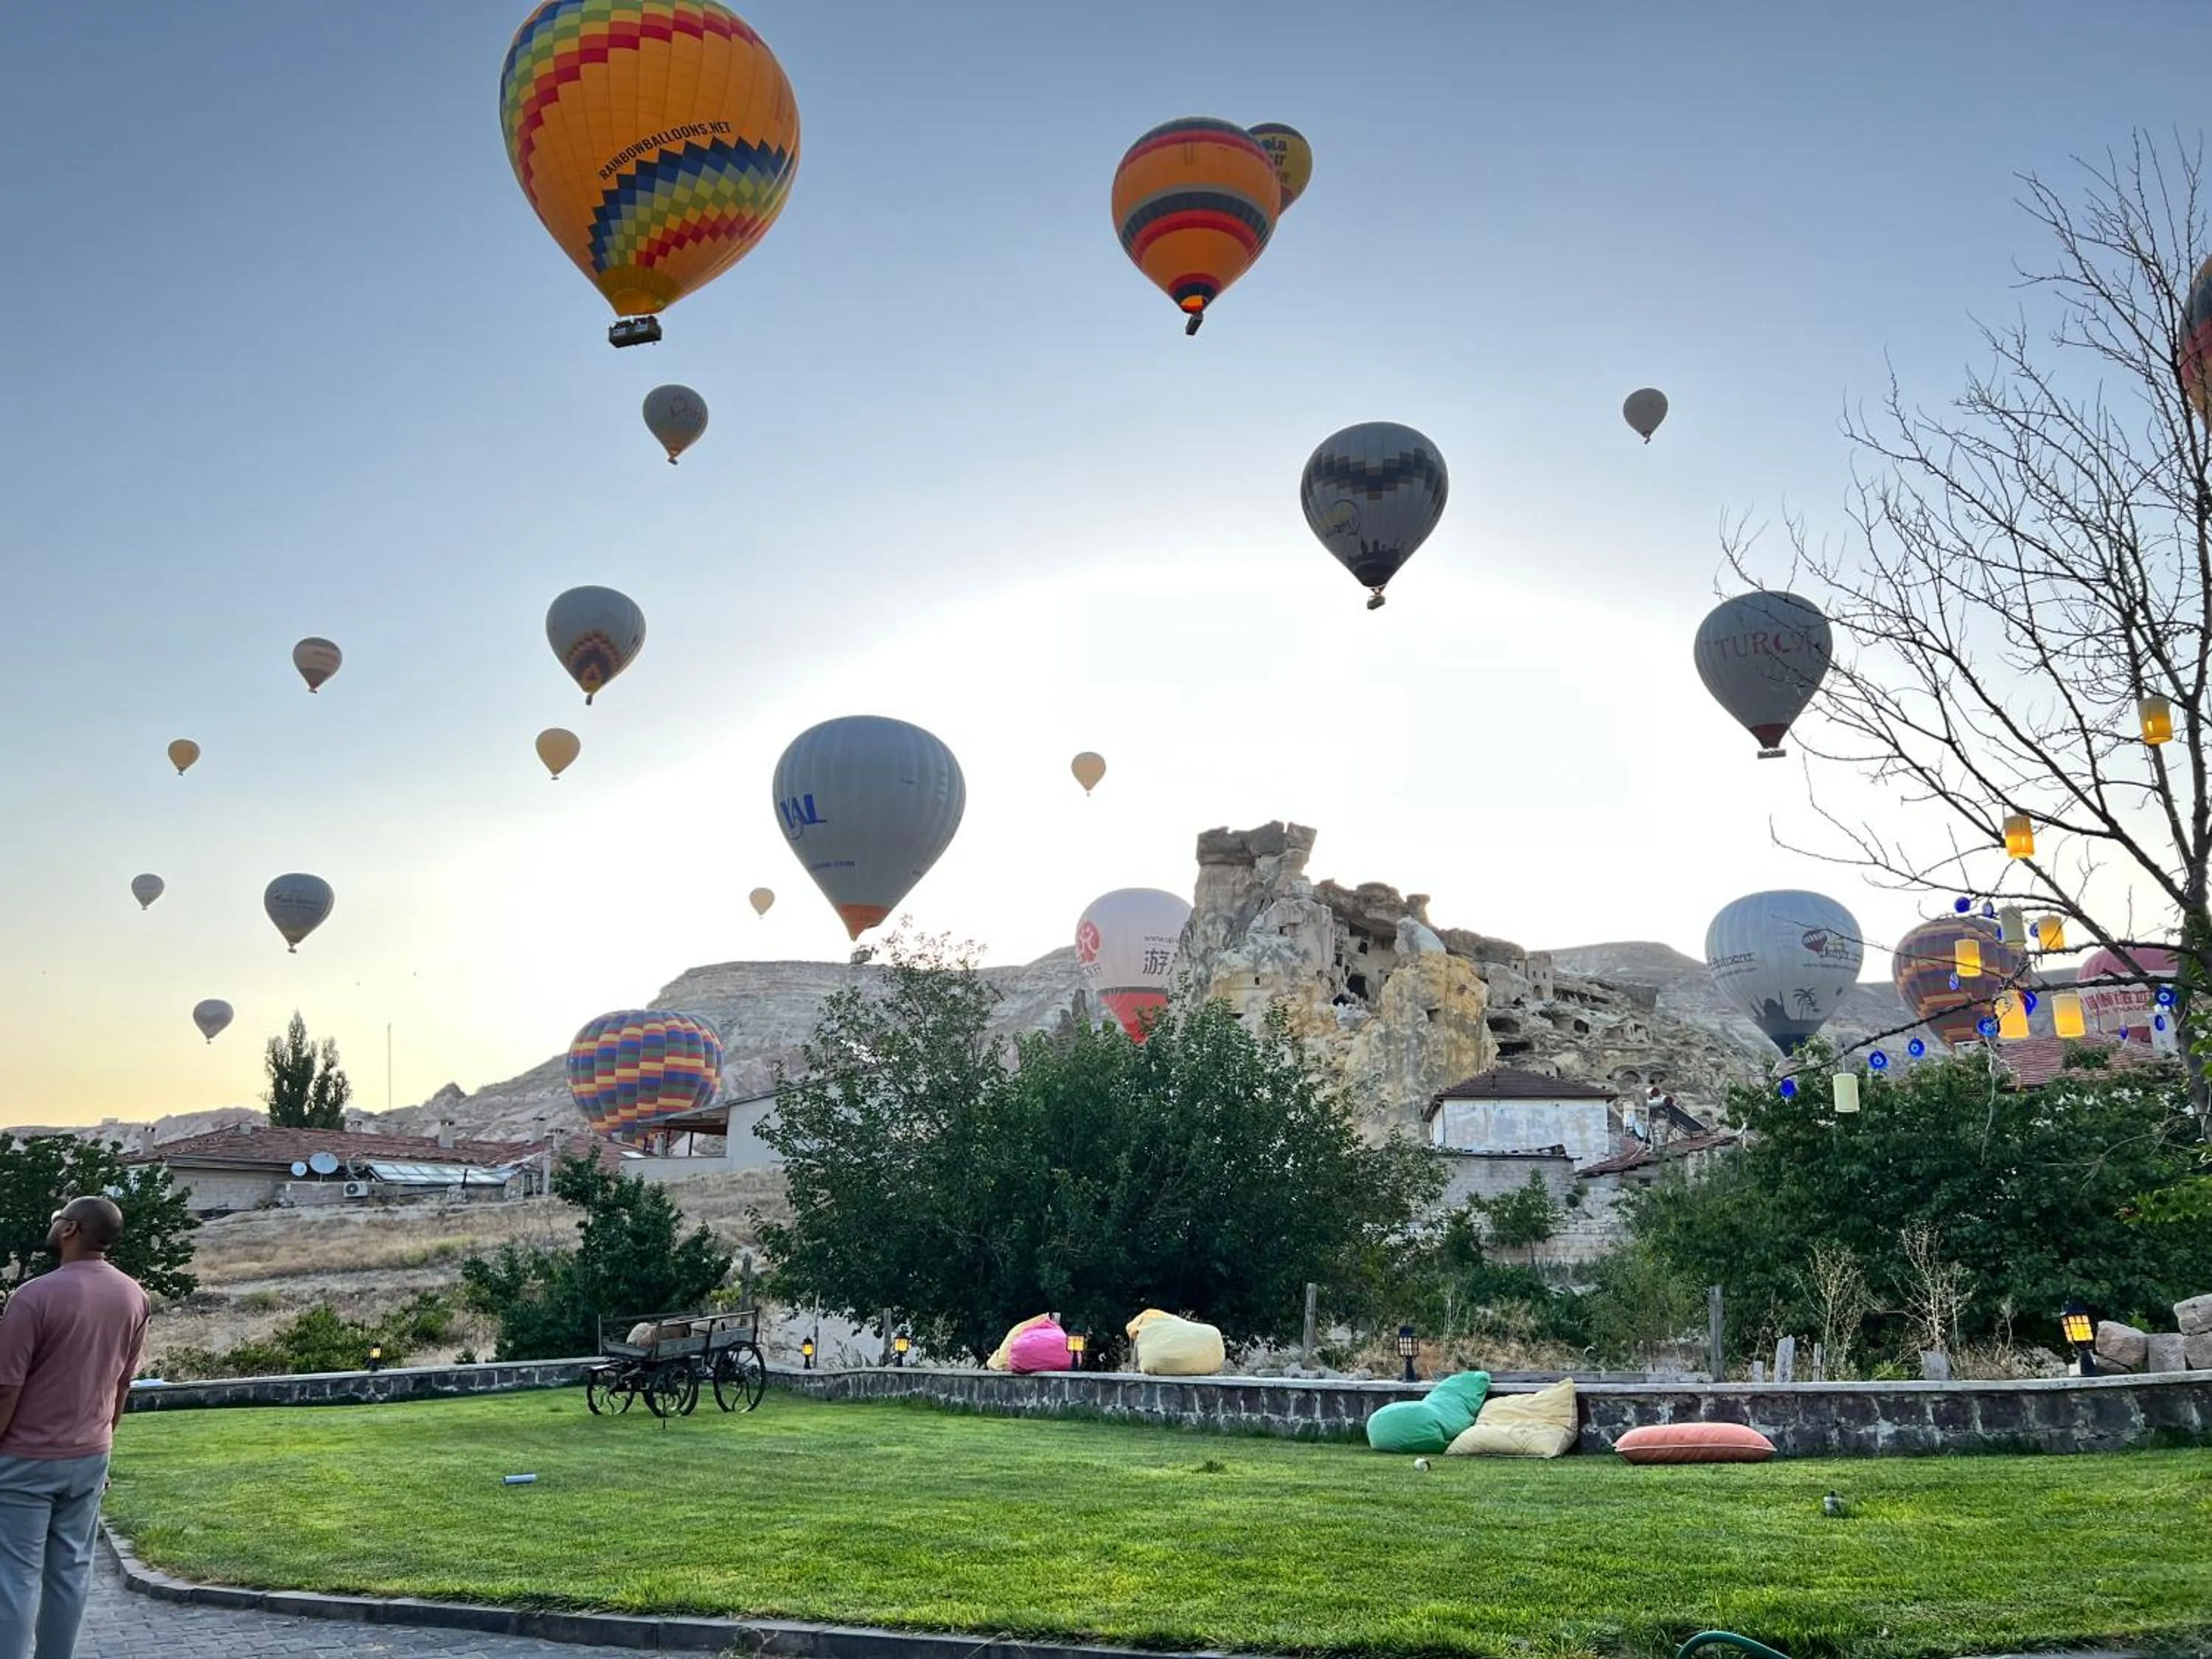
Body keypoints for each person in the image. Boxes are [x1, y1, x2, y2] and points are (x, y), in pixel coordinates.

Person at [0, 1197, 150, 1659]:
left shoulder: (33, 1297)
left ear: (70, 1230)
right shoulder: (134, 1296)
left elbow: (6, 1388)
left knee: (15, 1576)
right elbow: (123, 1384)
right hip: (90, 1455)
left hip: (25, 1459)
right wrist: (103, 1444)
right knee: (70, 1572)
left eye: (57, 1219)